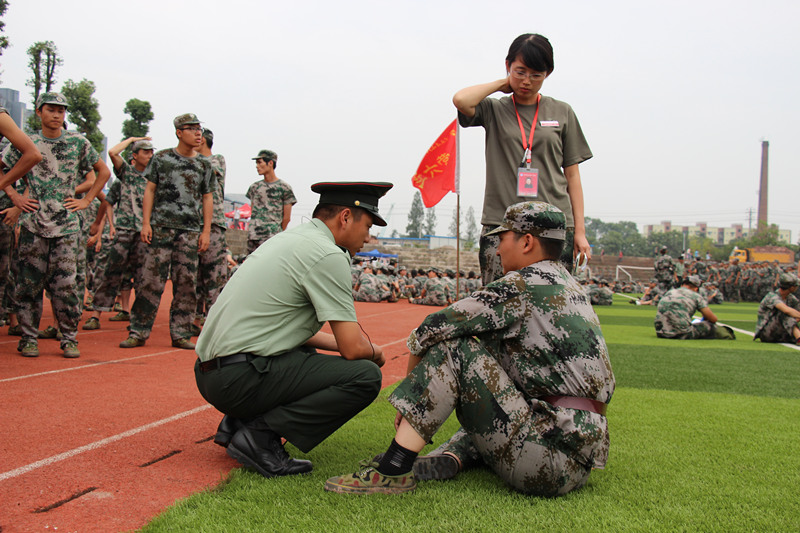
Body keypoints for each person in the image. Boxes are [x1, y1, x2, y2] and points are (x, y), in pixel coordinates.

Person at [325, 201, 614, 496]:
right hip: (580, 461)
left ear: (527, 242)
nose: (498, 250)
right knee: (494, 371)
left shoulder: (521, 284)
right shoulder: (572, 287)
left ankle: (393, 469)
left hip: (544, 461)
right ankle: (454, 456)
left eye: (502, 239)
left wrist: (414, 400)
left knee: (455, 349)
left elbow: (429, 330)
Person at [195, 181, 393, 479]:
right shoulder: (327, 253)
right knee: (365, 376)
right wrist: (374, 352)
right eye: (367, 226)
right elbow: (354, 349)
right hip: (236, 379)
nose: (368, 237)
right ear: (346, 217)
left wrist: (344, 345)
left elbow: (287, 329)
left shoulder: (291, 239)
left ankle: (238, 421)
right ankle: (259, 436)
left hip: (210, 373)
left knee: (303, 349)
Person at [453, 33, 592, 285]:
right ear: (508, 66)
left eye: (536, 75)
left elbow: (572, 175)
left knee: (552, 306)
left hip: (553, 224)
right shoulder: (494, 109)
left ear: (547, 74)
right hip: (502, 223)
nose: (527, 81)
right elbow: (461, 100)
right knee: (497, 301)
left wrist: (579, 232)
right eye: (520, 72)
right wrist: (500, 83)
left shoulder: (562, 112)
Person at [1, 92, 110, 358]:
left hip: (66, 226)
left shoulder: (77, 142)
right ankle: (28, 338)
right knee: (28, 285)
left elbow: (103, 172)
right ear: (38, 112)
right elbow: (3, 168)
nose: (57, 115)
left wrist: (85, 200)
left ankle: (69, 338)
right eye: (51, 110)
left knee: (66, 286)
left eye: (61, 111)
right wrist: (14, 195)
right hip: (33, 224)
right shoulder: (27, 142)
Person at [120, 113, 213, 349]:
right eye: (191, 128)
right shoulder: (161, 159)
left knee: (186, 284)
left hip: (190, 230)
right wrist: (146, 222)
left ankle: (181, 333)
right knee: (150, 281)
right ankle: (138, 331)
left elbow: (207, 197)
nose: (197, 133)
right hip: (161, 228)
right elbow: (149, 190)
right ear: (179, 132)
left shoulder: (204, 164)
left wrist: (206, 231)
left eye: (199, 128)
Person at [83, 137, 153, 329]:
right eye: (145, 151)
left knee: (142, 277)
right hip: (123, 230)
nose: (149, 155)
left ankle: (137, 319)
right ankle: (96, 314)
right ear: (134, 155)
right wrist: (131, 139)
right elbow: (113, 153)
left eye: (150, 151)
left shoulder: (155, 178)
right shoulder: (126, 174)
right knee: (110, 272)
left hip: (143, 233)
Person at [0, 101, 42, 328]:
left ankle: (13, 319)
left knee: (7, 269)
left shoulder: (5, 126)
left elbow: (32, 164)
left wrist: (15, 201)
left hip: (5, 214)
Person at [193, 128, 228, 334]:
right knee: (192, 276)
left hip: (213, 224)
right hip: (192, 223)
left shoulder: (216, 160)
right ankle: (194, 319)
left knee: (214, 275)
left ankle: (214, 320)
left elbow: (207, 171)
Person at [245, 149, 296, 254]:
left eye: (260, 162)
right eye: (256, 163)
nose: (257, 166)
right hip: (253, 236)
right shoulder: (255, 187)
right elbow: (253, 211)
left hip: (272, 238)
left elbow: (286, 218)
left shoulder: (284, 188)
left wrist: (275, 233)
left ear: (270, 163)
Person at [654, 275, 734, 340]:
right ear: (696, 288)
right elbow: (713, 319)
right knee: (710, 326)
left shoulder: (669, 292)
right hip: (681, 334)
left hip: (661, 332)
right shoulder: (696, 296)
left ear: (682, 285)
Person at [754, 273, 800, 344]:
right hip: (768, 332)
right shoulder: (772, 296)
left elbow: (798, 311)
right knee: (784, 314)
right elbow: (786, 310)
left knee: (793, 315)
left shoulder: (791, 298)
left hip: (782, 331)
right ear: (791, 287)